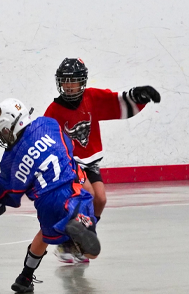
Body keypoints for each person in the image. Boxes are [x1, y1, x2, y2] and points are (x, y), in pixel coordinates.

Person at [44, 58, 160, 263]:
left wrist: (138, 95)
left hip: (89, 161)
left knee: (100, 199)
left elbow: (115, 102)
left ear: (83, 82)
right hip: (70, 163)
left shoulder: (92, 97)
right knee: (87, 194)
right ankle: (66, 243)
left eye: (74, 81)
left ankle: (83, 238)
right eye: (65, 81)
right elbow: (46, 139)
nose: (69, 86)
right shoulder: (53, 110)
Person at [0, 98, 101, 294]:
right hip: (70, 191)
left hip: (46, 203)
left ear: (15, 124)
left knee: (44, 235)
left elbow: (8, 191)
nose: (3, 137)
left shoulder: (9, 161)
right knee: (91, 249)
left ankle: (25, 277)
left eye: (3, 131)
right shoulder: (48, 124)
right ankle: (80, 222)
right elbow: (68, 147)